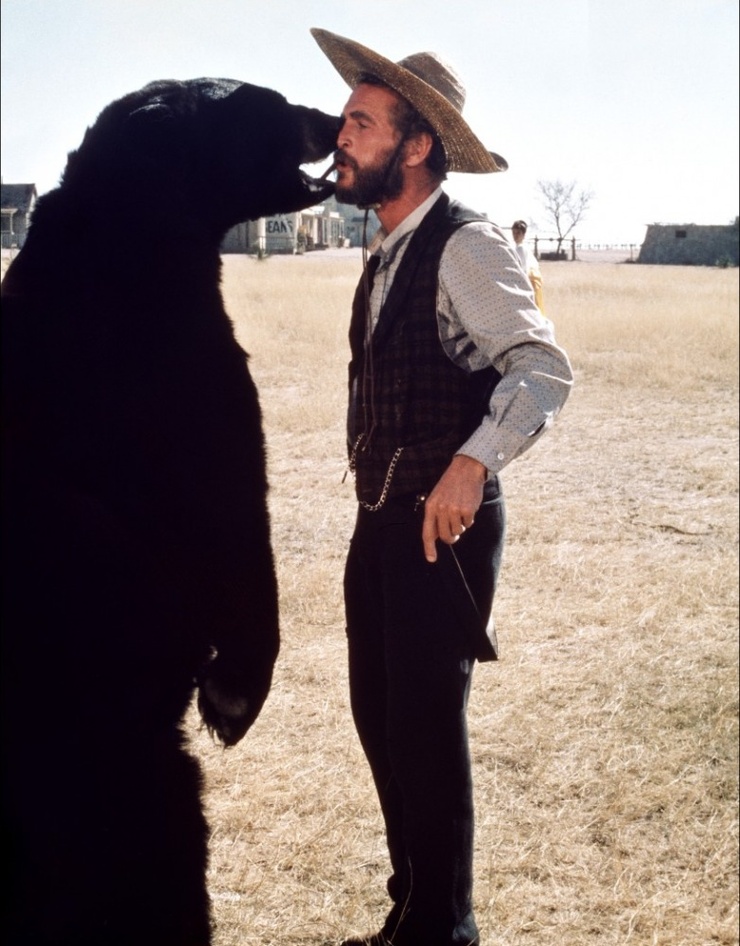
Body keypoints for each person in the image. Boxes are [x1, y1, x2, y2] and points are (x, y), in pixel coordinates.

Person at [310, 28, 573, 946]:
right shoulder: (386, 247)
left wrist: (473, 462)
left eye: (362, 124)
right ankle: (413, 916)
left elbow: (543, 367)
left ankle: (442, 931)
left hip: (443, 527)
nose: (341, 138)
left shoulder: (462, 245)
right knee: (381, 720)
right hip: (382, 517)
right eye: (347, 120)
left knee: (424, 728)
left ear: (415, 146)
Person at [511, 219, 545, 312]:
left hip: (529, 282)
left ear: (523, 234)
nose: (515, 235)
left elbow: (523, 269)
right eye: (514, 232)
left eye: (518, 233)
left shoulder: (521, 248)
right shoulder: (519, 247)